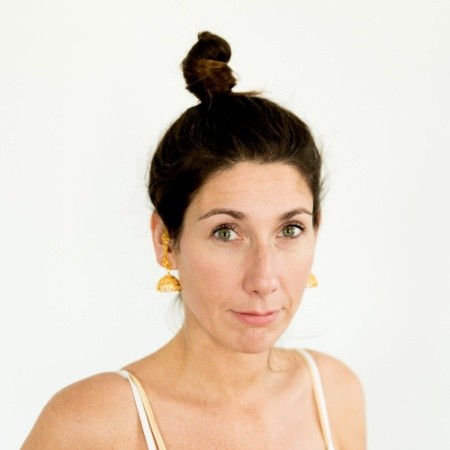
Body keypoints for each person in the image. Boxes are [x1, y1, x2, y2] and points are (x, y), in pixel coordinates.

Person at [22, 31, 366, 449]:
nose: (264, 279)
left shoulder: (333, 393)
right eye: (226, 232)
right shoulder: (91, 425)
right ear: (166, 241)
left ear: (316, 229)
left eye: (289, 229)